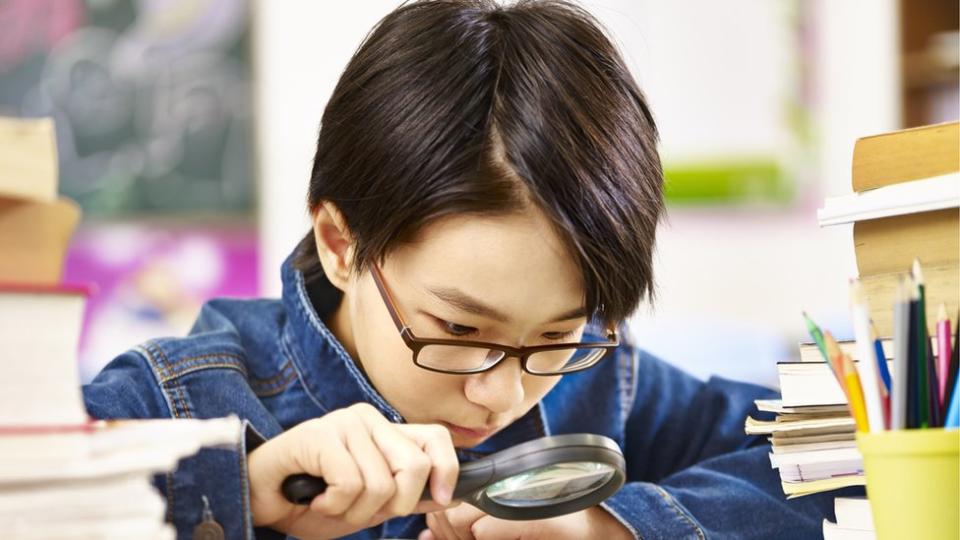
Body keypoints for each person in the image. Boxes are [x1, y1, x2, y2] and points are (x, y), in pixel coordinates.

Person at [83, 1, 845, 538]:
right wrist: (243, 495)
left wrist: (617, 526)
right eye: (458, 328)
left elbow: (851, 448)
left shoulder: (597, 385)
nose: (499, 394)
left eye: (555, 333)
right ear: (341, 245)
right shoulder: (180, 401)